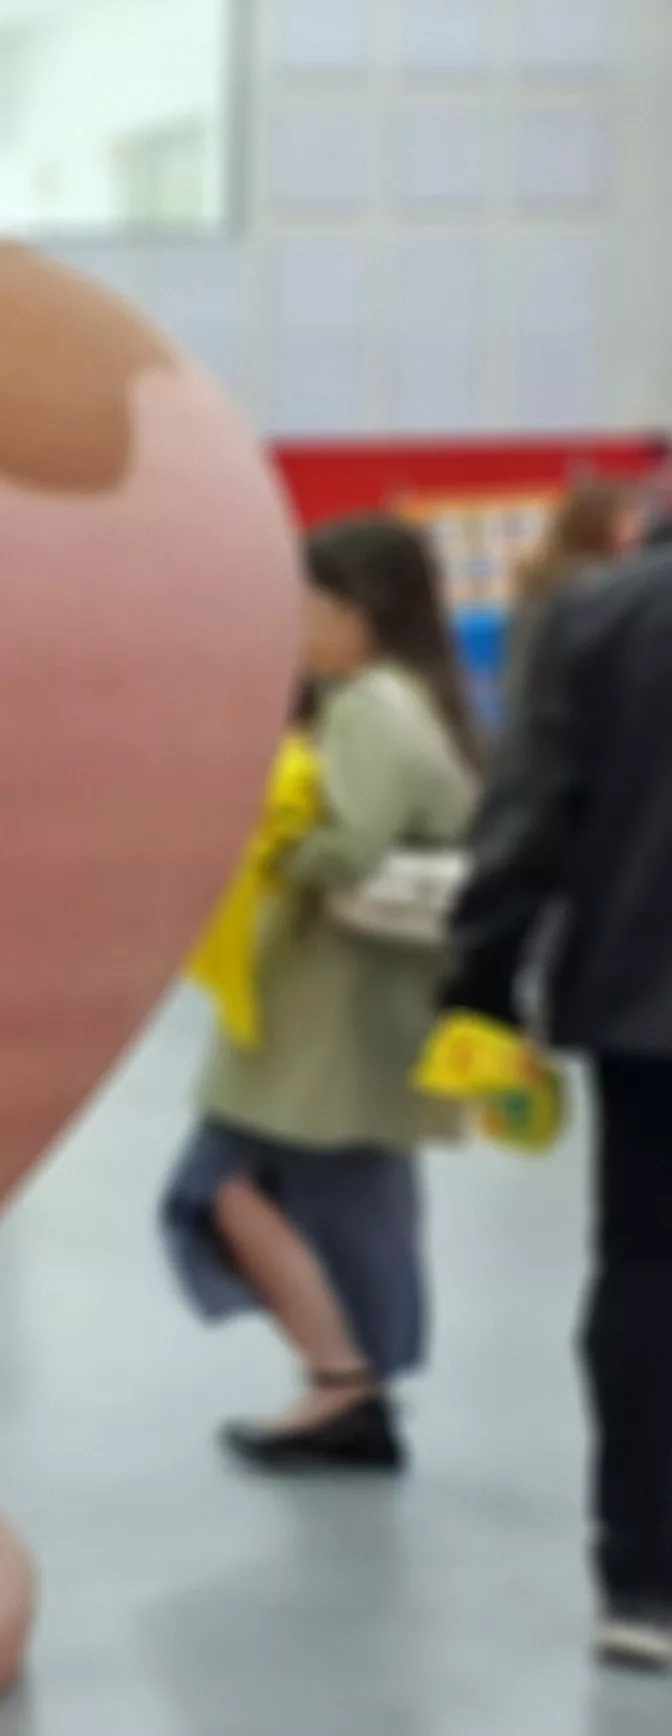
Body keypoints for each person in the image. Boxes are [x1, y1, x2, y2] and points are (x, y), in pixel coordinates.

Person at [166, 516, 484, 1474]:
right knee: (350, 1202)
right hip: (352, 1006)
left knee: (223, 1182)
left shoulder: (366, 711)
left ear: (355, 611)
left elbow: (349, 844)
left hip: (330, 1011)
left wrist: (260, 838)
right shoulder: (407, 700)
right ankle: (355, 1384)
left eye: (310, 605)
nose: (295, 624)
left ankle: (343, 1384)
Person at [444, 503, 672, 1666]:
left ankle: (642, 1576)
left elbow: (528, 810)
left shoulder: (596, 615)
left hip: (643, 1012)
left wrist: (478, 985)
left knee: (643, 1273)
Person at [502, 476, 646, 719]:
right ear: (599, 522)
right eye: (629, 517)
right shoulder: (593, 587)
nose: (639, 526)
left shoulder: (546, 576)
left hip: (533, 716)